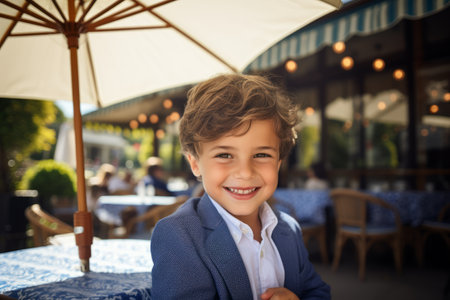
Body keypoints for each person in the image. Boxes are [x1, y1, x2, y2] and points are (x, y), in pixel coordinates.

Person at [150, 74, 330, 299]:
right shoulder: (179, 236)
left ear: (278, 163)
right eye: (224, 154)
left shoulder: (288, 229)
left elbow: (317, 291)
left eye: (262, 154)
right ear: (195, 164)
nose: (245, 172)